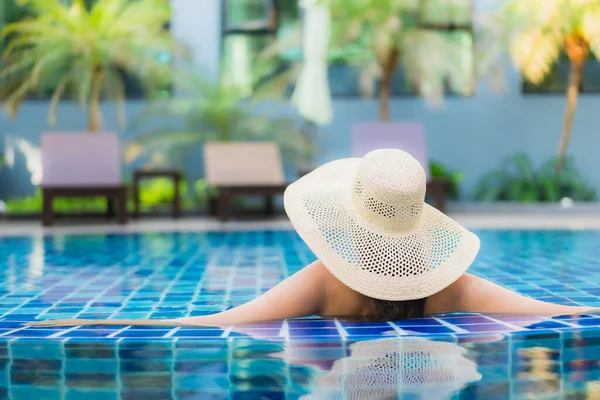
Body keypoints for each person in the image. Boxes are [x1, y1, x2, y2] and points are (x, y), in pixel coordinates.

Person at [31, 149, 594, 328]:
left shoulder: (326, 285)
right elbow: (549, 312)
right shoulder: (453, 289)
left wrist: (88, 319)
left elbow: (219, 323)